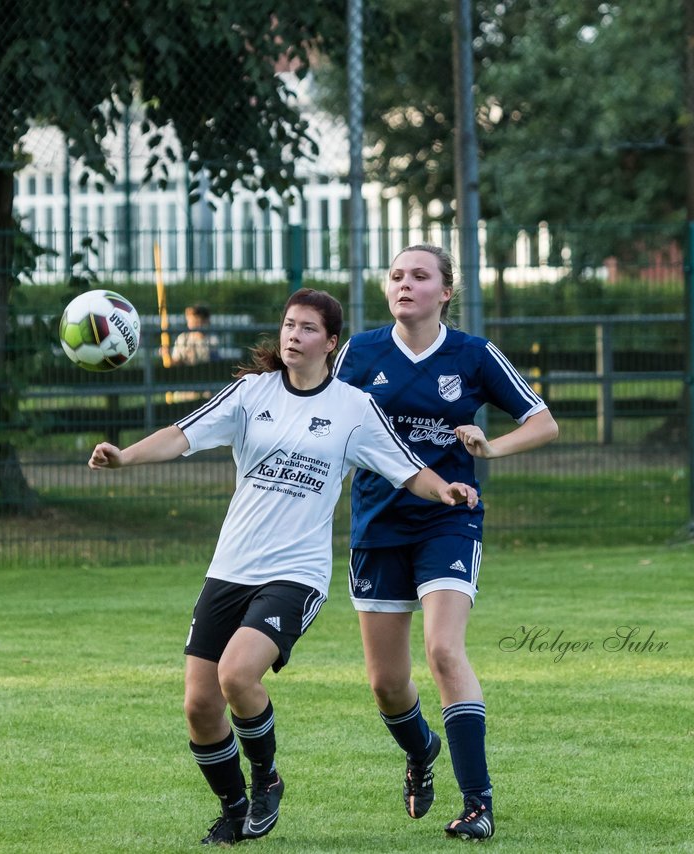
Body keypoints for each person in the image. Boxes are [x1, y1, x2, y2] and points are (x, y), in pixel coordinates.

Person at [89, 288, 479, 846]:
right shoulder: (251, 393)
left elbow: (407, 467)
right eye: (288, 326)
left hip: (295, 574)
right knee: (200, 706)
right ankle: (232, 808)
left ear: (331, 343)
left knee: (237, 674)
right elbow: (182, 435)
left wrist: (445, 490)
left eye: (307, 329)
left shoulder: (352, 407)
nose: (293, 336)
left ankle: (266, 777)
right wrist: (125, 456)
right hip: (231, 567)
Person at [333, 244, 559, 841]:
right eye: (396, 275)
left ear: (446, 291)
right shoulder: (359, 352)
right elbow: (324, 419)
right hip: (376, 523)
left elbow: (543, 422)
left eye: (419, 276)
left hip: (448, 521)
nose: (405, 284)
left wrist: (492, 446)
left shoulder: (473, 354)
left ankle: (478, 803)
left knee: (443, 651)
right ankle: (421, 749)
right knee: (386, 683)